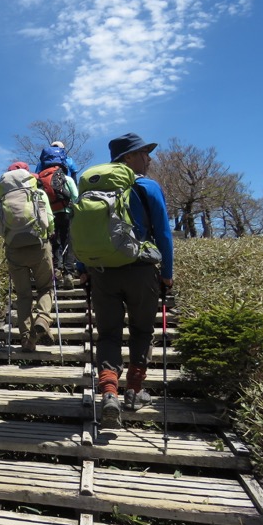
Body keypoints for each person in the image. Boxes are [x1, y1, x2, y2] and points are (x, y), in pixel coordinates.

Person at [77, 133, 174, 429]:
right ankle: (133, 390)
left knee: (108, 334)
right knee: (142, 329)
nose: (149, 157)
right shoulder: (146, 187)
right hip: (141, 271)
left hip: (102, 273)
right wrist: (167, 273)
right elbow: (164, 234)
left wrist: (83, 267)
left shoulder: (93, 189)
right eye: (144, 152)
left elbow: (81, 230)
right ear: (128, 158)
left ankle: (108, 393)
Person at [0, 162, 55, 351]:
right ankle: (43, 319)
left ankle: (26, 339)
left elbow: (1, 228)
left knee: (23, 296)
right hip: (39, 246)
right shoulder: (38, 194)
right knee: (46, 287)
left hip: (14, 250)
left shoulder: (2, 200)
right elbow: (50, 221)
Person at [36, 154, 78, 290]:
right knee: (68, 241)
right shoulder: (66, 178)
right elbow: (76, 196)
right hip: (65, 213)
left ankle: (57, 269)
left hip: (50, 215)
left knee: (56, 242)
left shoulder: (41, 176)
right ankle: (69, 273)